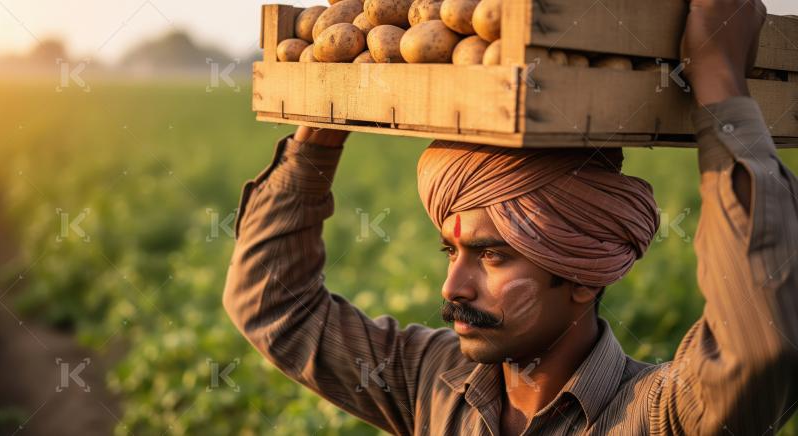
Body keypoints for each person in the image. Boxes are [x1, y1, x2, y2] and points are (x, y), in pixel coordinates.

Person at [223, 0, 798, 434]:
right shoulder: (429, 381)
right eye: (452, 251)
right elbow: (273, 305)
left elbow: (758, 345)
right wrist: (326, 113)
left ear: (582, 274)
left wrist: (719, 82)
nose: (453, 286)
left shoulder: (657, 415)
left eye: (493, 254)